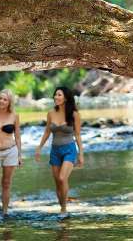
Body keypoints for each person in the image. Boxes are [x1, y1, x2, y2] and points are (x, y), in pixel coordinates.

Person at [35, 87, 84, 219]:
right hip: (55, 150)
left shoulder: (74, 114)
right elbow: (47, 132)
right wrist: (39, 147)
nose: (56, 97)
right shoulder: (51, 113)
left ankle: (64, 208)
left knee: (62, 178)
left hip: (69, 149)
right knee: (57, 182)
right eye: (55, 95)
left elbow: (78, 135)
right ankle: (61, 206)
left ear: (66, 98)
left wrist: (81, 154)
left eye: (59, 95)